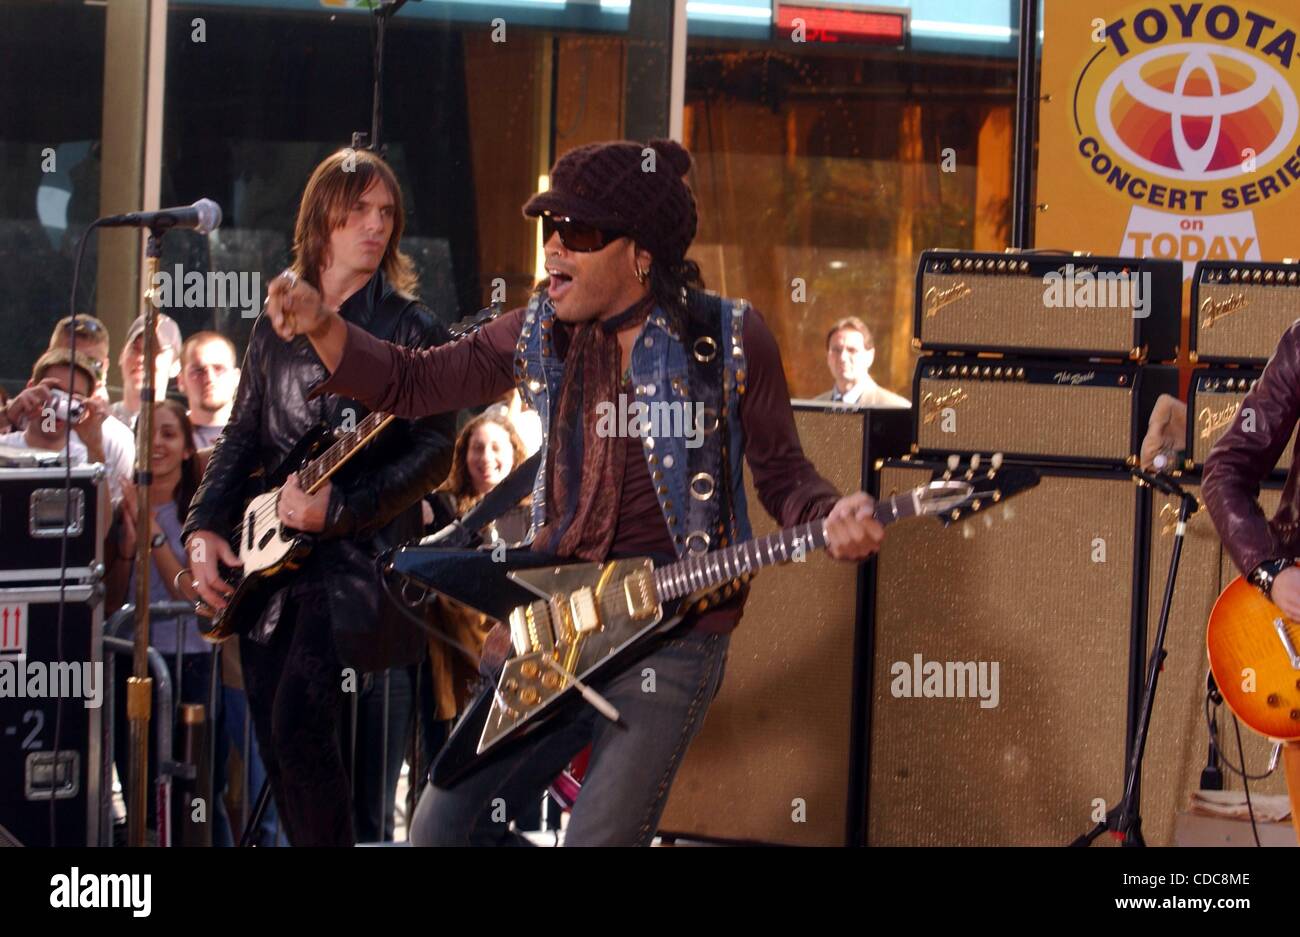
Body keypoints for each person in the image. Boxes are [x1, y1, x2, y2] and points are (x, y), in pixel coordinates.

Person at [265, 138, 885, 846]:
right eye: (549, 229)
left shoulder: (731, 337)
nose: (555, 248)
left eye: (579, 232)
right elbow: (415, 382)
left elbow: (782, 474)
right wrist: (322, 323)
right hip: (557, 627)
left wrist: (830, 511)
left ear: (641, 251)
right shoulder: (536, 330)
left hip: (674, 638)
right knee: (439, 830)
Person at [182, 148, 457, 846]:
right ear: (321, 221)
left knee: (302, 732)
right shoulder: (273, 327)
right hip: (268, 569)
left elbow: (434, 454)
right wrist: (205, 526)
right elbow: (242, 433)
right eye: (359, 210)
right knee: (280, 747)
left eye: (386, 212)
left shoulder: (410, 327)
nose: (376, 225)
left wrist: (341, 507)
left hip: (356, 576)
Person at [46, 314, 136, 505]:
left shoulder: (117, 437)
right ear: (48, 357)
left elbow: (109, 519)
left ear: (105, 368)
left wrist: (95, 448)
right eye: (68, 359)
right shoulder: (22, 417)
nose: (79, 370)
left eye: (91, 363)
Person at [0, 349, 111, 485]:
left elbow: (99, 506)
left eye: (73, 399)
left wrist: (95, 448)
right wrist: (6, 416)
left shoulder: (83, 459)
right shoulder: (4, 447)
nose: (60, 407)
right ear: (32, 388)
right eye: (56, 394)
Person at [814, 316, 909, 408]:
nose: (842, 358)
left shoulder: (896, 408)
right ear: (828, 357)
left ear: (869, 356)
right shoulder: (812, 409)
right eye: (836, 350)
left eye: (852, 350)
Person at [111, 311, 183, 429]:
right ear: (121, 355)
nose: (141, 358)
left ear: (175, 366)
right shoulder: (100, 421)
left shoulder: (182, 431)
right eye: (135, 349)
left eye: (154, 351)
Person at [176, 331, 240, 450]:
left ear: (236, 377)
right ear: (181, 381)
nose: (209, 378)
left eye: (219, 368)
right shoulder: (166, 439)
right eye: (198, 370)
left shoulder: (260, 437)